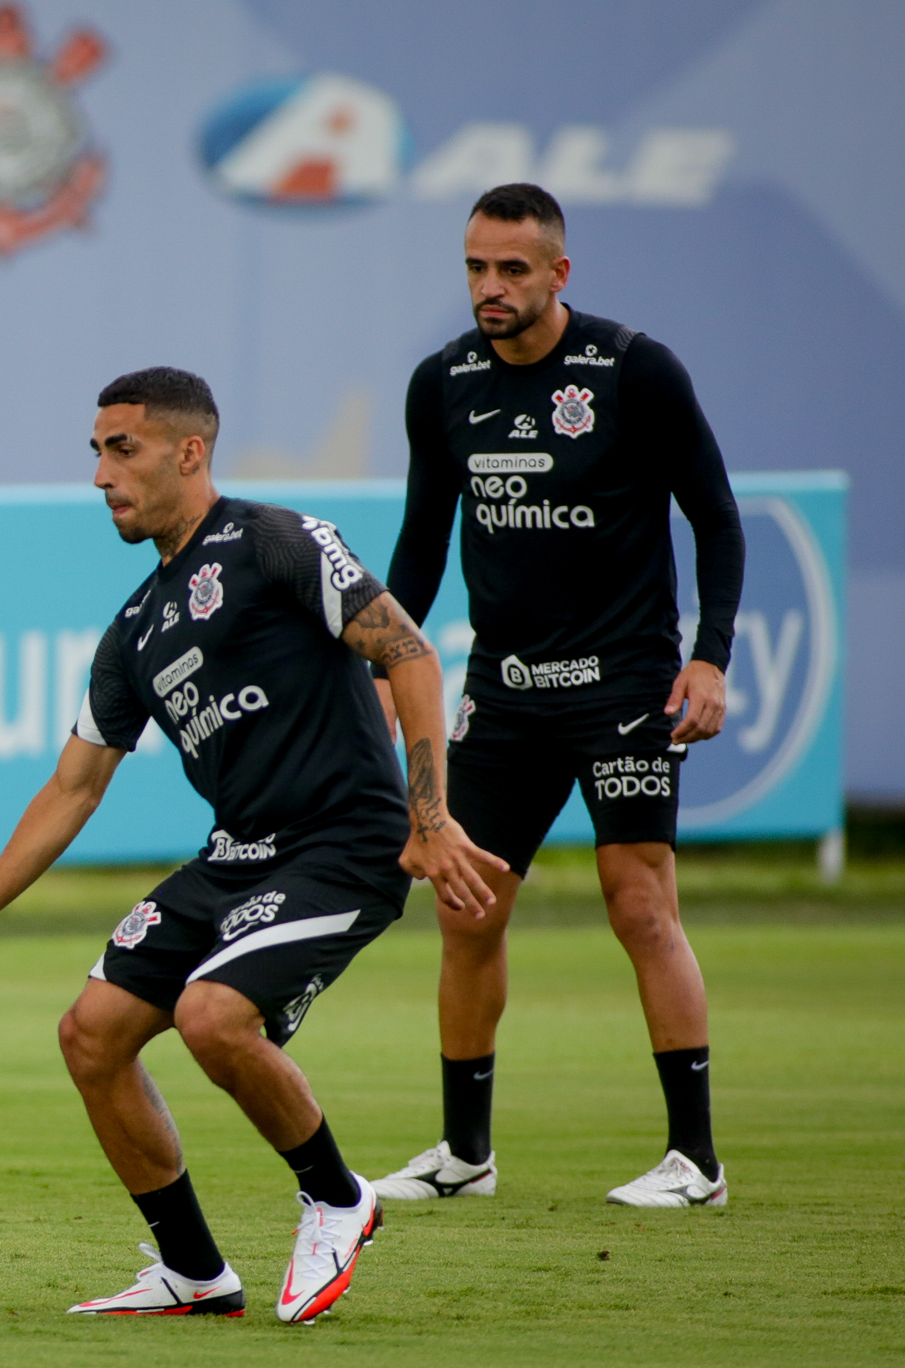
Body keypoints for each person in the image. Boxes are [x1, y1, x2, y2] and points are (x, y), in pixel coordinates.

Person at [0, 367, 501, 1323]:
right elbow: (73, 787)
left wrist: (428, 818)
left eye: (123, 450)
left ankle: (338, 1198)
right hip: (238, 855)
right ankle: (193, 1269)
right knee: (91, 1036)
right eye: (97, 453)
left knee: (212, 1017)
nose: (103, 475)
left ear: (191, 452)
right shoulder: (135, 629)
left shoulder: (274, 541)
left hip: (345, 846)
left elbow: (410, 653)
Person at [367, 183, 744, 1210]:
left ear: (557, 273)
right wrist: (382, 641)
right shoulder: (438, 384)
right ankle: (463, 1154)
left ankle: (695, 1162)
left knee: (638, 902)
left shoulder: (632, 370)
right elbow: (419, 541)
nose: (489, 289)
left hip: (622, 684)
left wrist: (705, 658)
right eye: (473, 269)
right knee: (465, 913)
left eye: (511, 270)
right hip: (506, 690)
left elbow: (714, 519)